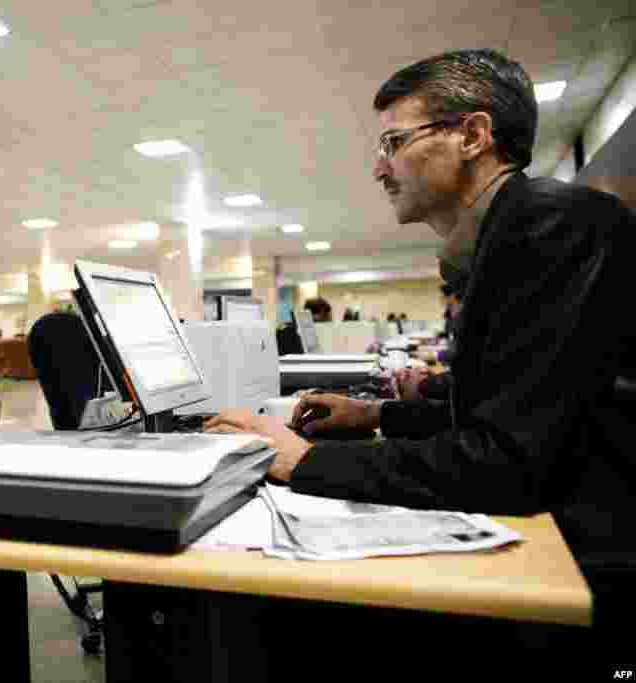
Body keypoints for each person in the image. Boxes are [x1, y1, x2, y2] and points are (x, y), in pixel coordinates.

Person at [206, 50, 635, 639]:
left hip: (597, 555)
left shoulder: (553, 227)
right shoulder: (518, 230)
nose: (378, 169)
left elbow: (508, 461)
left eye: (394, 142)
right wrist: (380, 415)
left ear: (473, 136)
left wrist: (303, 459)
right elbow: (509, 411)